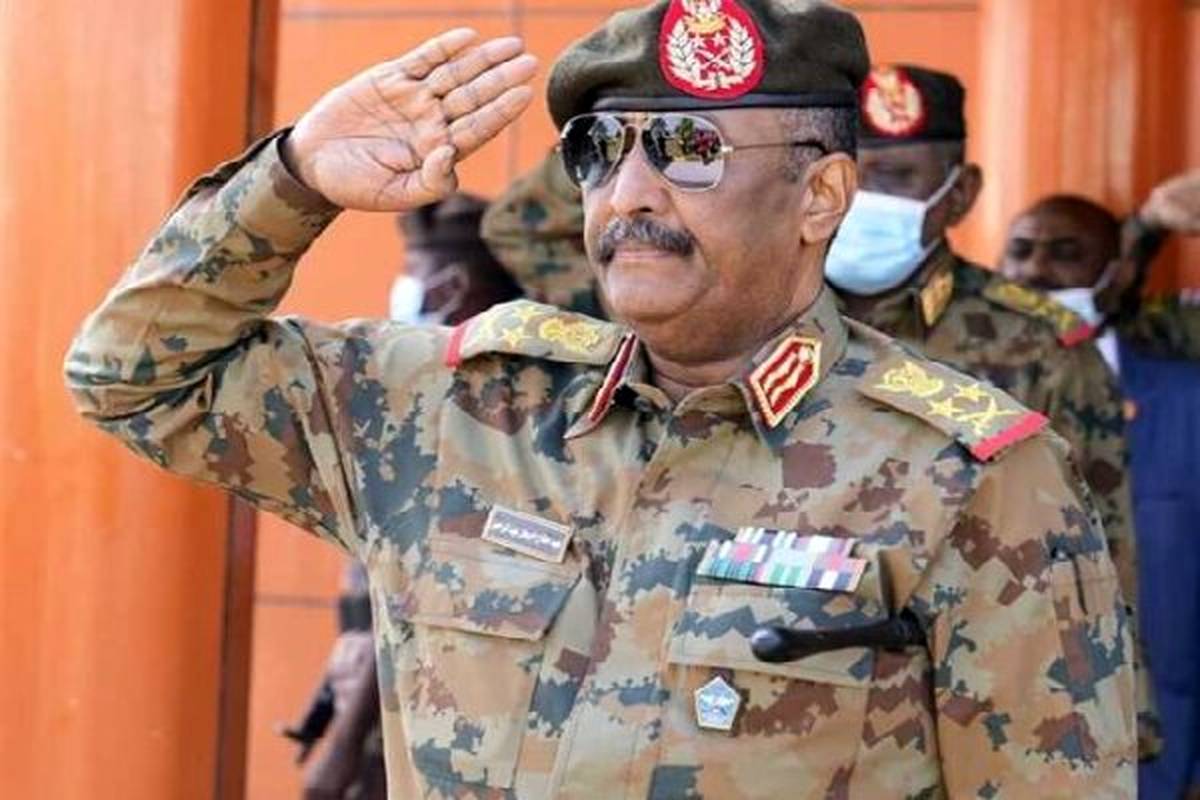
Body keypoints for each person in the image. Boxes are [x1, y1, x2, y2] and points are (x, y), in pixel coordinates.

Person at [66, 2, 1136, 796]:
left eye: (690, 152)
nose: (628, 194)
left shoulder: (968, 478)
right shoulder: (451, 409)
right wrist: (291, 181)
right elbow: (134, 376)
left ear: (819, 195)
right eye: (599, 151)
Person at [485, 61, 1157, 755]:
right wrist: (641, 131)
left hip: (936, 701)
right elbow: (522, 229)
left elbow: (1094, 554)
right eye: (859, 173)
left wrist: (1113, 728)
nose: (868, 199)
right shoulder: (726, 305)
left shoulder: (1039, 348)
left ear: (959, 195)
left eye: (898, 179)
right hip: (710, 691)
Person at [1000, 171, 1200, 799]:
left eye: (1066, 254)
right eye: (1021, 251)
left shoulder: (1185, 398)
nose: (1035, 271)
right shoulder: (941, 389)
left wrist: (1150, 225)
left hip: (1156, 745)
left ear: (1116, 274)